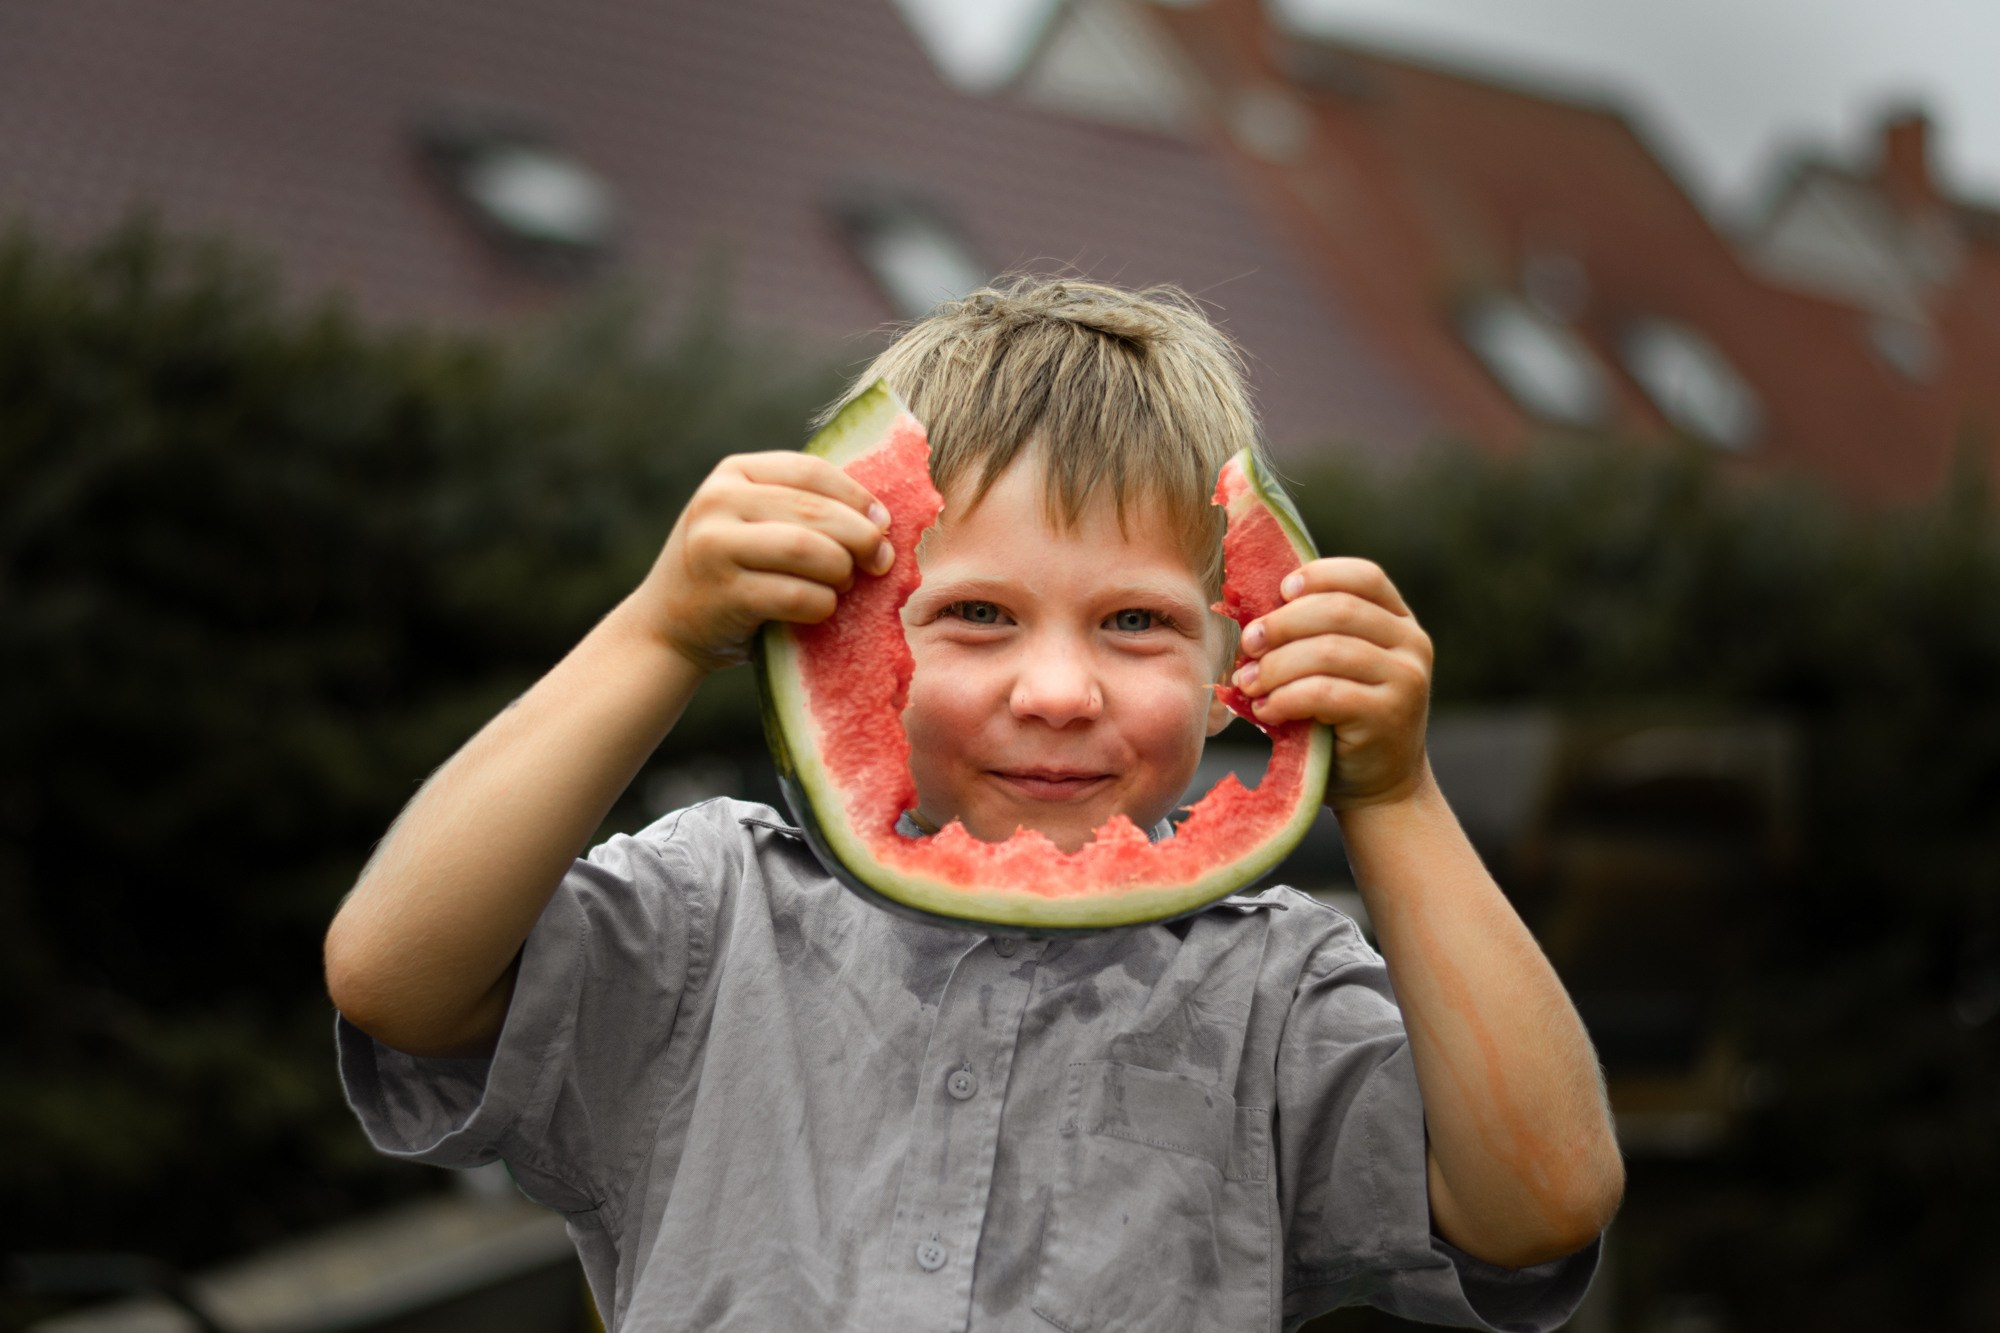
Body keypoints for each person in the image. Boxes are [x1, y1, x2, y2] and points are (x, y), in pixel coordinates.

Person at [325, 277, 1623, 1331]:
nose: (1056, 688)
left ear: (1239, 663)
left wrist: (1393, 789)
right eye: (978, 616)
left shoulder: (1274, 995)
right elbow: (394, 976)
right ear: (850, 634)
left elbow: (1544, 1199)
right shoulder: (709, 918)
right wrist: (657, 633)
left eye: (1134, 623)